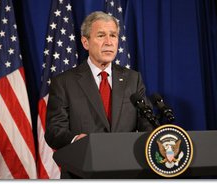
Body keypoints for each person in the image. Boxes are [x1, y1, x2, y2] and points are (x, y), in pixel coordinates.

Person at [45, 11, 153, 151]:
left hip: (125, 165)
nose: (109, 42)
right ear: (85, 42)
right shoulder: (64, 82)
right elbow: (54, 131)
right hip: (84, 164)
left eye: (113, 35)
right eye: (101, 36)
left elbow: (147, 123)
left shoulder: (133, 79)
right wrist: (76, 139)